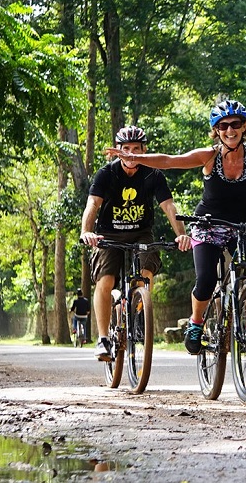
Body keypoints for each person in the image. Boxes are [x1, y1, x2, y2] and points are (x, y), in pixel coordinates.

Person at [105, 100, 246, 355]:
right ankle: (196, 324)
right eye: (223, 126)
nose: (230, 131)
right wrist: (135, 157)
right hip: (207, 225)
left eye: (235, 125)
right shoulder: (209, 156)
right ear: (216, 130)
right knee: (207, 280)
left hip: (243, 227)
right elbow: (170, 161)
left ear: (244, 128)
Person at [80, 125, 192, 361]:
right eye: (126, 149)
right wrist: (86, 231)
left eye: (136, 149)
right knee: (106, 279)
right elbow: (92, 204)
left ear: (144, 150)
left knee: (146, 272)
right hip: (109, 235)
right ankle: (103, 339)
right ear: (117, 151)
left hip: (142, 233)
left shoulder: (153, 175)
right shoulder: (106, 174)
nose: (131, 154)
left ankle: (135, 308)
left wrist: (181, 234)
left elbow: (169, 206)